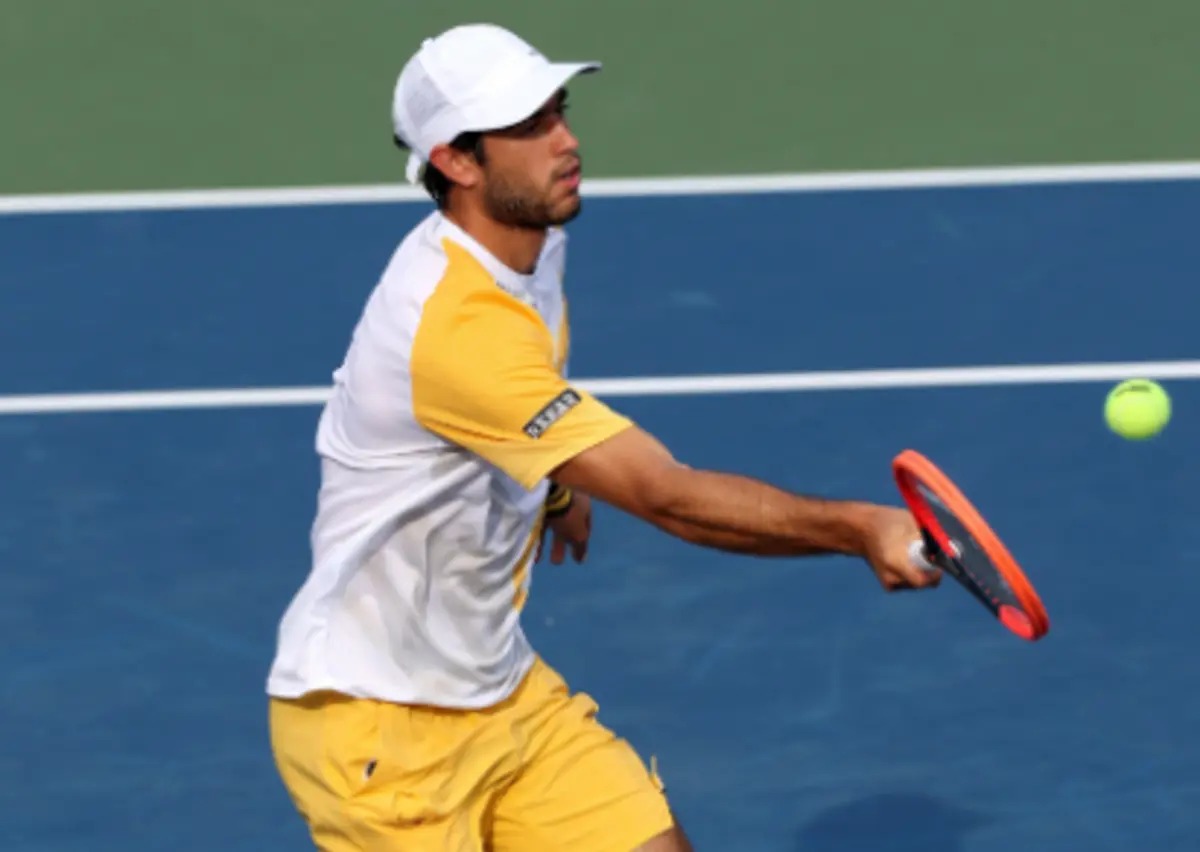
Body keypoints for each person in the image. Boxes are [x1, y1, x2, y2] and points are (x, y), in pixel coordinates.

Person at [265, 22, 942, 852]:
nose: (567, 141)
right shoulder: (454, 329)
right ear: (456, 161)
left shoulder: (529, 247)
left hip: (498, 694)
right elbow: (668, 498)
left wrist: (552, 484)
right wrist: (859, 527)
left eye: (560, 111)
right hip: (379, 734)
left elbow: (505, 415)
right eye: (529, 126)